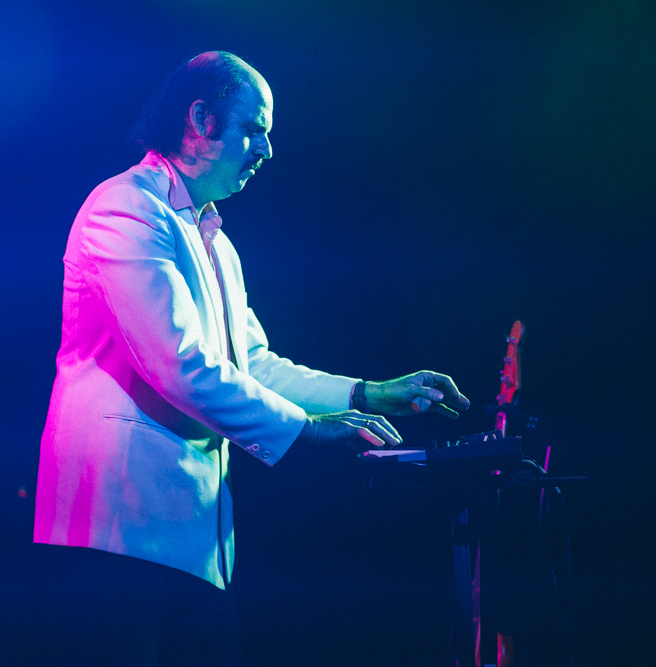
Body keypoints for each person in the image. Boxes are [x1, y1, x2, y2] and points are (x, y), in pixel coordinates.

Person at [33, 51, 469, 666]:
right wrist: (306, 430)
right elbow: (178, 363)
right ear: (199, 119)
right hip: (118, 535)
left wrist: (367, 393)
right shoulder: (125, 208)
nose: (265, 149)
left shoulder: (215, 241)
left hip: (193, 546)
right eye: (253, 129)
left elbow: (252, 364)